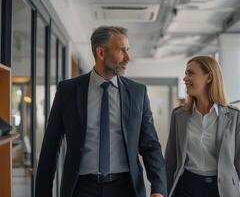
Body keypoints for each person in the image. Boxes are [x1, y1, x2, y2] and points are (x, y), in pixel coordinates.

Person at [36, 26, 167, 197]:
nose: (128, 57)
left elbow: (150, 145)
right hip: (81, 188)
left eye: (127, 50)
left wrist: (158, 188)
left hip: (126, 188)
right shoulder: (68, 90)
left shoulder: (137, 93)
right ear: (101, 52)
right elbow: (50, 146)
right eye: (121, 51)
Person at [165, 56, 240, 197]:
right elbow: (170, 161)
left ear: (209, 77)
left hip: (221, 190)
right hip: (186, 187)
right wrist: (162, 192)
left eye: (190, 73)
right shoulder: (179, 116)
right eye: (185, 73)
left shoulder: (234, 117)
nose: (185, 78)